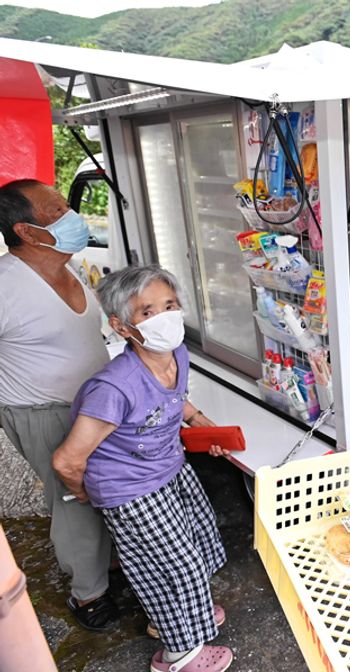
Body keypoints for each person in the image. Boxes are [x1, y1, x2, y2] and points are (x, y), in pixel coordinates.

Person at [51, 264, 234, 672]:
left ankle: (181, 616)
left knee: (195, 548)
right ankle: (178, 654)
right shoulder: (113, 388)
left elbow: (173, 400)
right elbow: (67, 459)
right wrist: (89, 494)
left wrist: (200, 421)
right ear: (121, 326)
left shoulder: (177, 354)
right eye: (148, 312)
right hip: (130, 490)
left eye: (169, 304)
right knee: (175, 566)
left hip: (169, 469)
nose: (165, 316)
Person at [0, 179, 118, 631]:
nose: (72, 217)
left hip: (95, 403)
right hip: (41, 409)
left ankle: (107, 565)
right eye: (56, 210)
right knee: (72, 499)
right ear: (27, 231)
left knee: (105, 489)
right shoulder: (6, 286)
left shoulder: (71, 268)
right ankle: (88, 594)